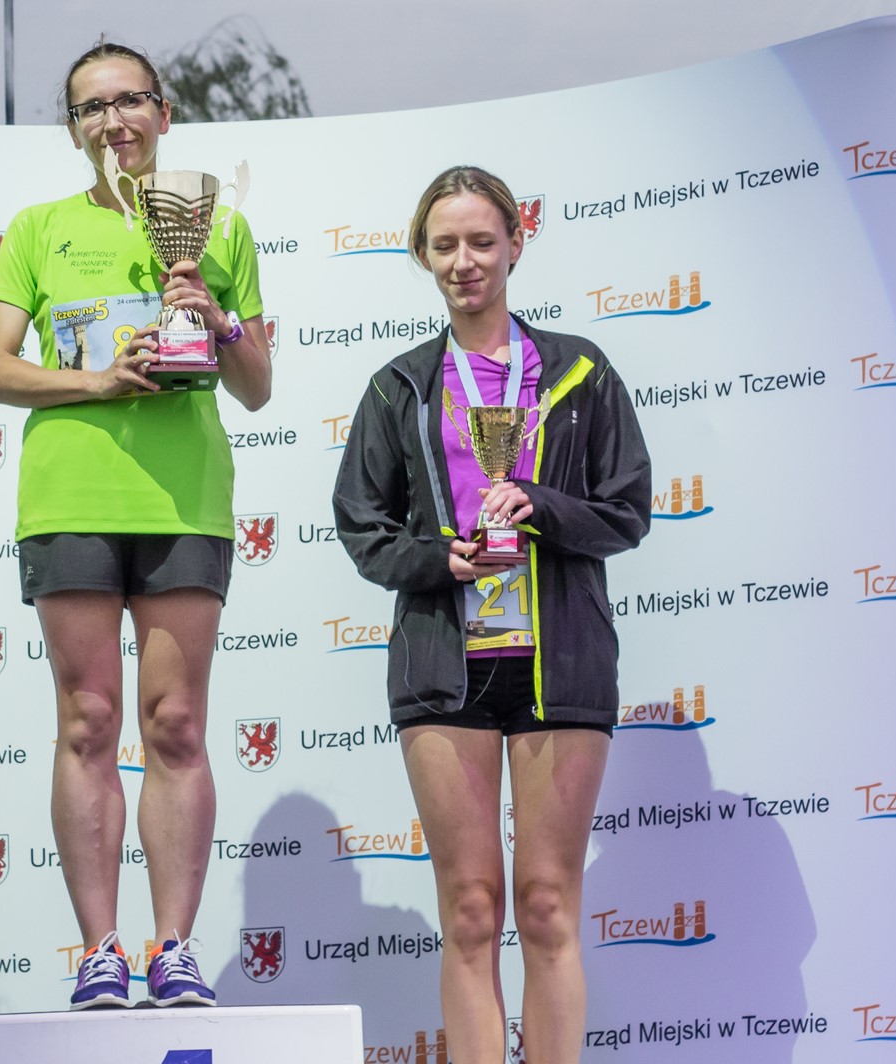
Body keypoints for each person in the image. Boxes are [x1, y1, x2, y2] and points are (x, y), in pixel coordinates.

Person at [0, 41, 272, 1009]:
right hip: (72, 500)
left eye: (129, 101)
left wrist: (215, 316)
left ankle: (173, 946)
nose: (113, 121)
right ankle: (100, 948)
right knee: (90, 720)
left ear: (163, 112)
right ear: (73, 130)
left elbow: (258, 387)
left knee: (175, 724)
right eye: (91, 108)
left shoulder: (221, 226)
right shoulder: (38, 228)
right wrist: (97, 381)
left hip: (184, 501)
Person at [333, 166, 650, 1064]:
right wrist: (442, 559)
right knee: (471, 911)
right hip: (445, 663)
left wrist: (539, 506)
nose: (464, 261)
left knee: (547, 905)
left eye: (481, 241)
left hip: (563, 661)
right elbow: (362, 526)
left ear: (516, 243)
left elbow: (628, 511)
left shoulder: (581, 370)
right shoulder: (399, 386)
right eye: (445, 245)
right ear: (422, 255)